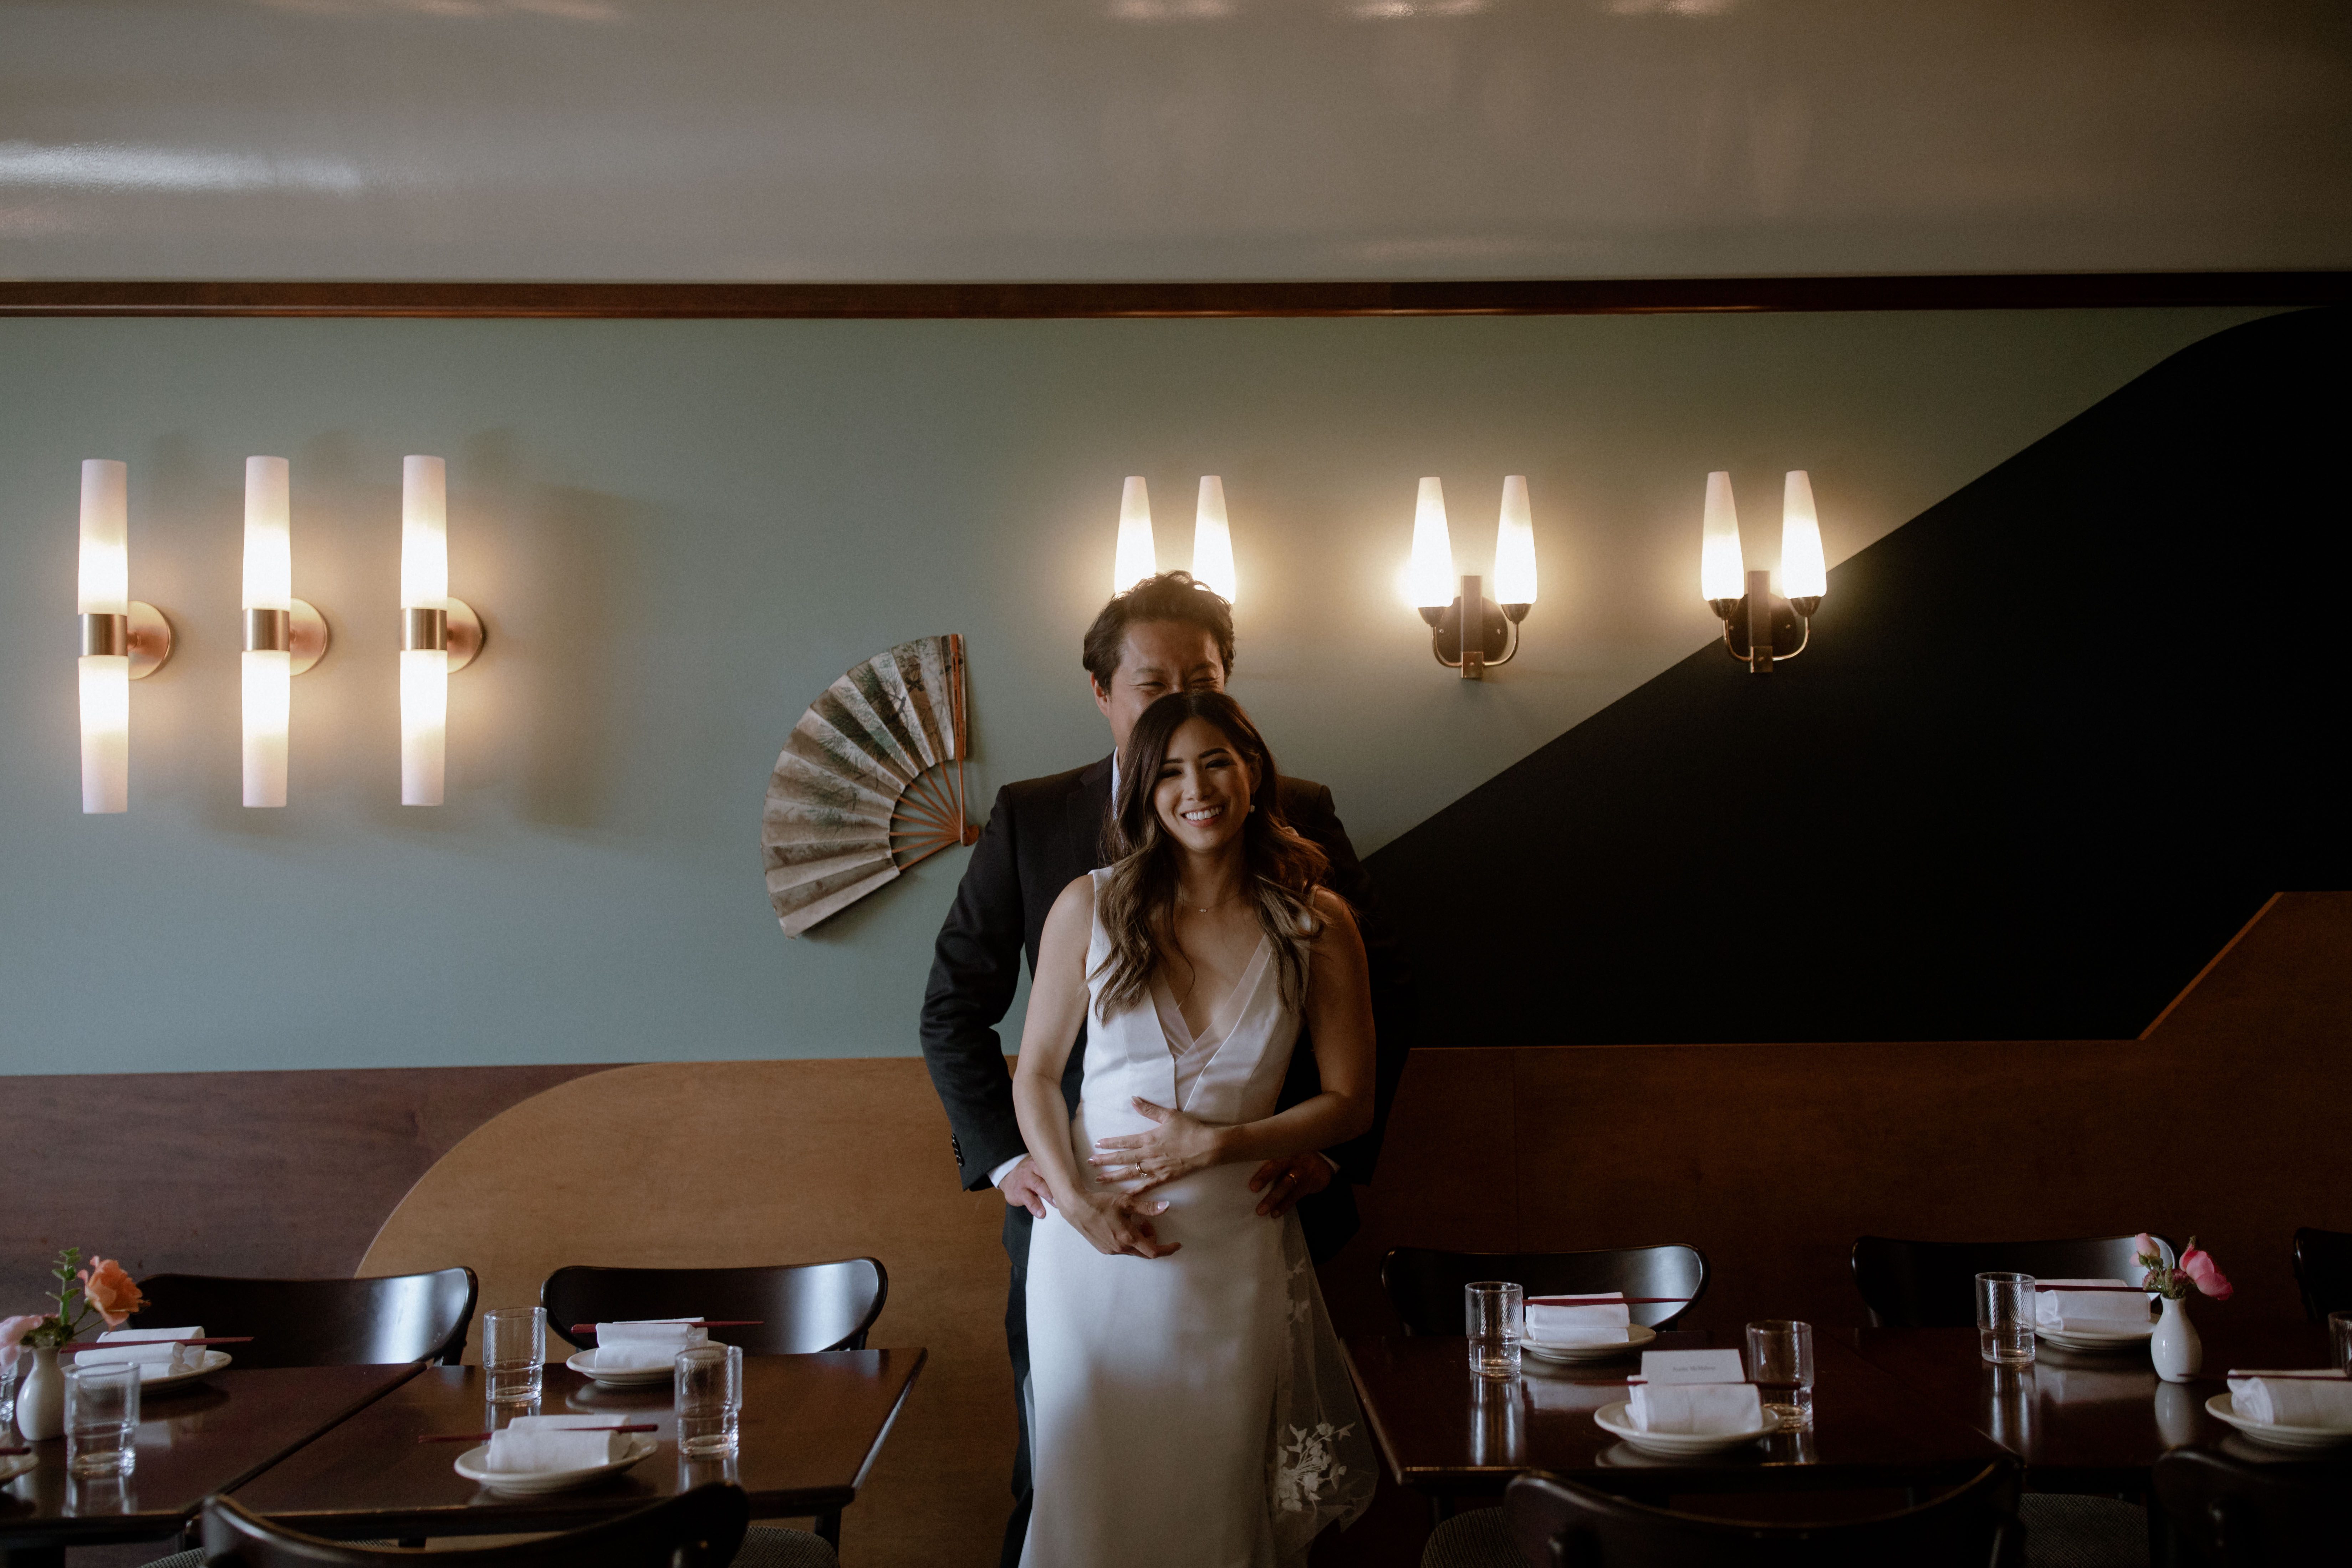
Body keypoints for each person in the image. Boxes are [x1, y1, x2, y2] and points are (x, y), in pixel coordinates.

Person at [918, 571, 1412, 1567]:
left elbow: (1370, 1020)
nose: (1195, 782)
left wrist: (1322, 1152)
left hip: (1248, 1215)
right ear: (1105, 693)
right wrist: (1031, 1168)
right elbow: (962, 1015)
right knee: (1064, 1477)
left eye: (1205, 680)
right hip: (1079, 1219)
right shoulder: (1039, 829)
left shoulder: (1308, 859)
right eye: (1153, 682)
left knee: (1222, 1489)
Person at [1012, 690, 1376, 1566]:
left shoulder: (1318, 921)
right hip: (1093, 1252)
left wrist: (1218, 1143)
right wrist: (1078, 1203)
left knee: (1214, 1501)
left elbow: (1349, 1102)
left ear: (1253, 771)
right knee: (1086, 1497)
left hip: (1231, 1249)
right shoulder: (1088, 908)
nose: (1197, 788)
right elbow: (1030, 1074)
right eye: (1169, 771)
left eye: (1216, 761)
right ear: (1142, 791)